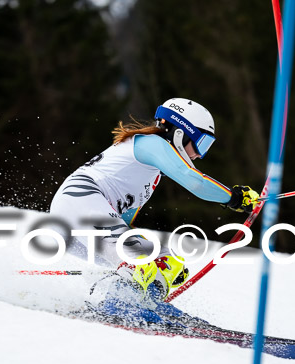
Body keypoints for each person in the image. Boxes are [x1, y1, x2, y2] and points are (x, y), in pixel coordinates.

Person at [49, 97, 259, 318]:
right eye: (201, 143)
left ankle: (145, 304)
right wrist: (234, 197)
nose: (199, 154)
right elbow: (194, 180)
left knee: (167, 262)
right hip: (79, 199)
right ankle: (121, 307)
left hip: (81, 219)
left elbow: (125, 219)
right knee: (139, 261)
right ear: (180, 133)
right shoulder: (151, 143)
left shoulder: (151, 174)